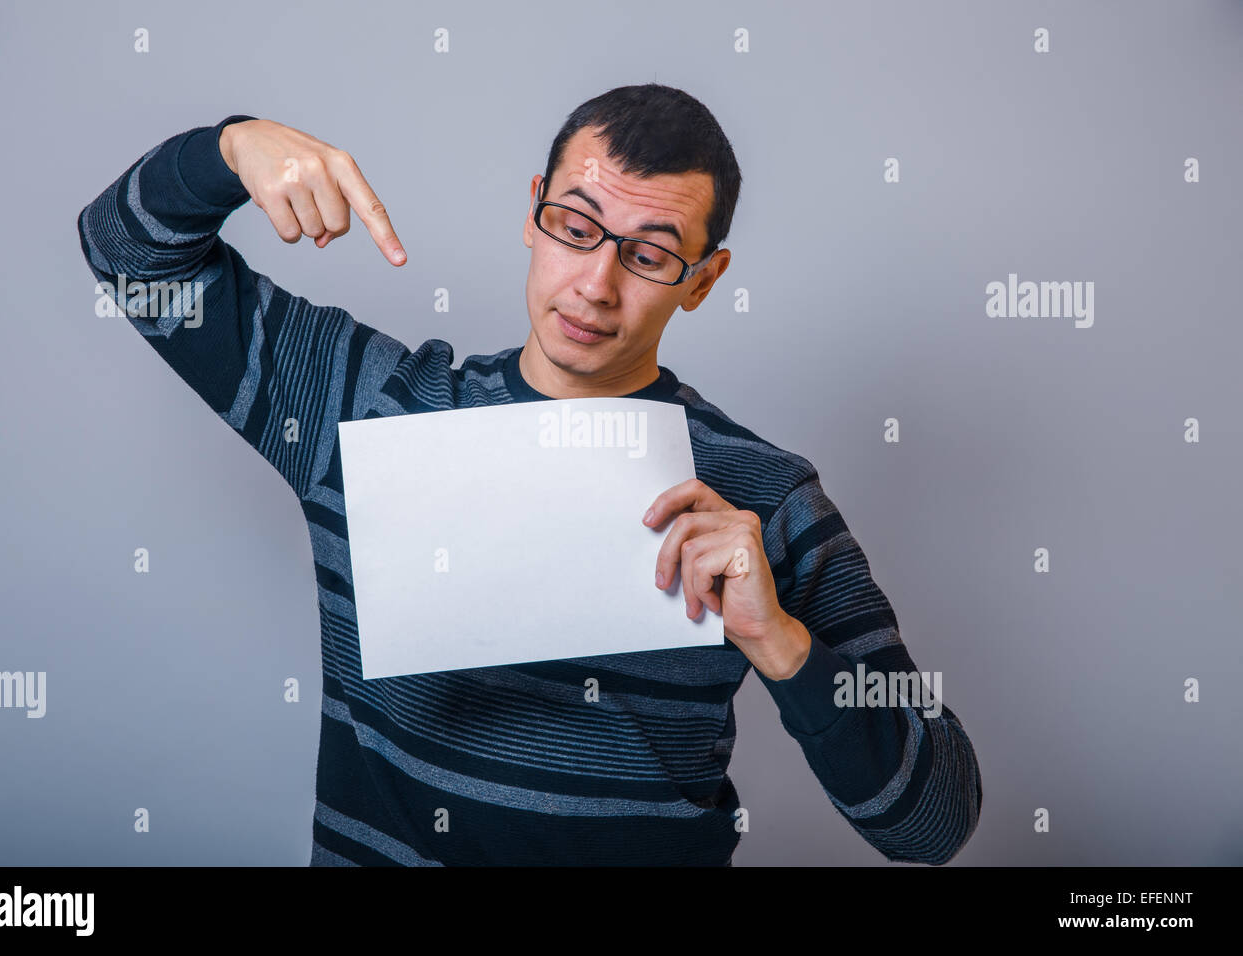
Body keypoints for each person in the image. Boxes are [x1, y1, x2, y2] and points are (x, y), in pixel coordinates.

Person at [76, 83, 981, 866]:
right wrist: (230, 147)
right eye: (576, 227)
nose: (594, 284)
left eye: (650, 254)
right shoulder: (363, 408)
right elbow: (123, 249)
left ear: (702, 280)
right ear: (533, 209)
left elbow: (935, 824)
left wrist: (781, 640)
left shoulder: (764, 498)